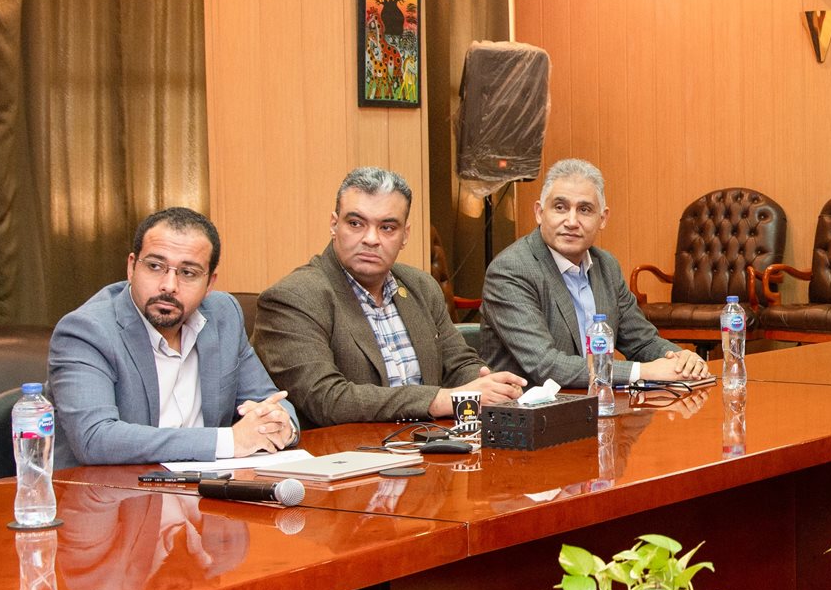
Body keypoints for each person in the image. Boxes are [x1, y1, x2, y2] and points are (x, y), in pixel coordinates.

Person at [253, 167, 525, 427]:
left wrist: (489, 385)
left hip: (430, 444)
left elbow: (458, 364)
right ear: (334, 225)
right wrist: (441, 400)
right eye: (356, 223)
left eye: (387, 227)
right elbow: (326, 399)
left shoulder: (421, 286)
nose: (371, 239)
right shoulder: (293, 298)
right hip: (342, 452)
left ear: (405, 235)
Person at [49, 207, 299, 466]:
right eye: (155, 266)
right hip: (112, 488)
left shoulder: (223, 315)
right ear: (131, 267)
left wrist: (281, 425)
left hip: (207, 485)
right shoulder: (86, 331)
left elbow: (269, 401)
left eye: (188, 273)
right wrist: (229, 441)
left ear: (210, 284)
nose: (169, 286)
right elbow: (95, 438)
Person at [479, 158, 709, 388]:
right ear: (539, 212)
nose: (571, 221)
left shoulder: (606, 265)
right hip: (529, 405)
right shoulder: (511, 269)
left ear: (603, 219)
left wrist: (682, 360)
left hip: (595, 402)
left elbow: (642, 342)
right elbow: (547, 365)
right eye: (560, 207)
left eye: (584, 210)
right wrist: (644, 371)